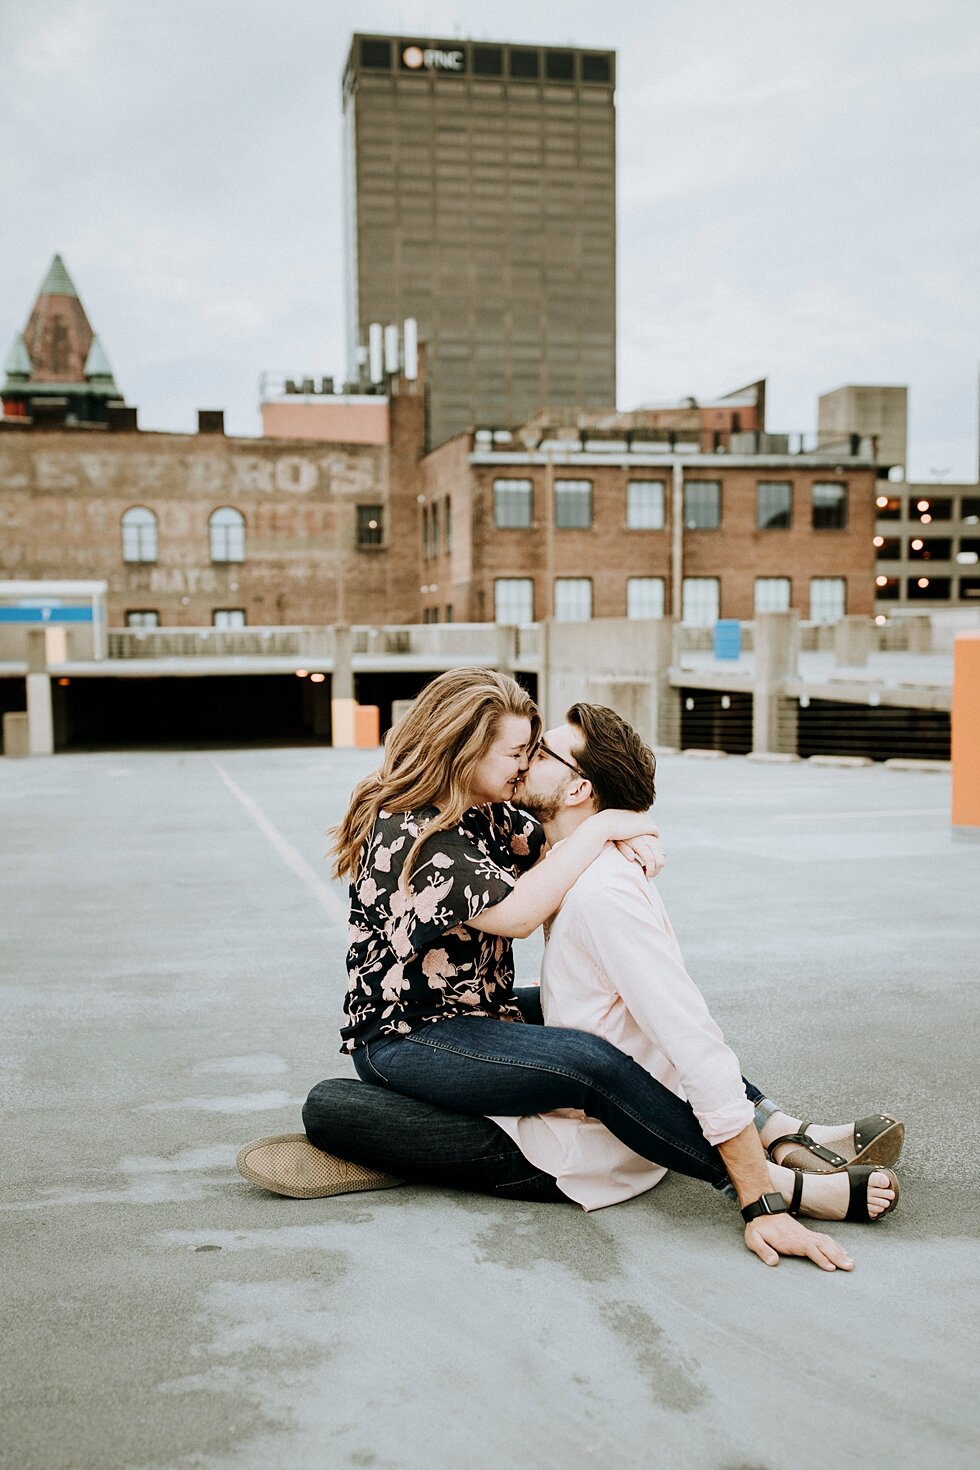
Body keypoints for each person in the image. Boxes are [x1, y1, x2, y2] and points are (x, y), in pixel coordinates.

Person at [238, 672, 901, 1270]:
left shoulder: (489, 810)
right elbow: (522, 912)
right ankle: (766, 1184)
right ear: (465, 750)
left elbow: (550, 848)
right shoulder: (410, 833)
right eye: (515, 753)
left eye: (534, 752)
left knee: (626, 1016)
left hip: (479, 1011)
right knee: (577, 1062)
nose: (524, 766)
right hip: (409, 1036)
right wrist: (613, 820)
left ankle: (775, 1130)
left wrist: (626, 829)